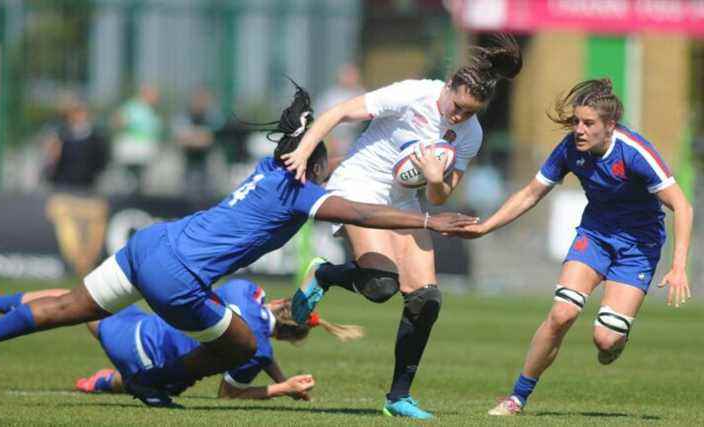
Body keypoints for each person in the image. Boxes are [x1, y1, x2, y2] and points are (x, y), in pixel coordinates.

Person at [0, 83, 478, 405]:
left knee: (66, 307)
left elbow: (330, 167)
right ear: (310, 163)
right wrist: (430, 221)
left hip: (148, 244)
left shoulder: (272, 168)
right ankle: (153, 384)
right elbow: (358, 210)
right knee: (243, 346)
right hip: (177, 275)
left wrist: (320, 133)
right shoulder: (300, 194)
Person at [282, 34, 523, 419]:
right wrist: (304, 151)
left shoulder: (471, 134)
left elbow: (442, 197)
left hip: (404, 202)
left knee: (426, 299)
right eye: (457, 106)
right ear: (448, 87)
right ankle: (325, 275)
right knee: (380, 285)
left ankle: (398, 397)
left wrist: (433, 178)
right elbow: (340, 112)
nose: (459, 117)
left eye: (470, 113)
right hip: (359, 187)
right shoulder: (414, 94)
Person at [455, 79, 693, 415]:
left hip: (639, 246)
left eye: (588, 123)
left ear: (609, 125)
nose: (579, 129)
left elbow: (682, 205)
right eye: (576, 121)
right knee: (562, 312)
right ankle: (516, 398)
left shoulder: (634, 152)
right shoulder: (569, 149)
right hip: (595, 236)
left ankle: (616, 339)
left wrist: (678, 265)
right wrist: (486, 227)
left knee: (606, 340)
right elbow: (530, 193)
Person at [0, 278, 362, 405]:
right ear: (291, 338)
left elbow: (258, 327)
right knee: (166, 378)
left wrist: (275, 365)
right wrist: (282, 386)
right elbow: (229, 394)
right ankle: (105, 383)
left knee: (78, 302)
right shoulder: (253, 351)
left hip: (141, 328)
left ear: (279, 302)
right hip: (146, 360)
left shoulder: (246, 288)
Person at [43, 97, 109, 192]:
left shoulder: (96, 138)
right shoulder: (61, 135)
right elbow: (53, 159)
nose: (77, 117)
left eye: (80, 113)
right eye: (74, 113)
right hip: (63, 182)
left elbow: (102, 160)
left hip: (88, 183)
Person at [171, 87, 225, 201]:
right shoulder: (184, 116)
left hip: (208, 162)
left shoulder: (212, 116)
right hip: (188, 161)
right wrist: (198, 137)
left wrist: (193, 137)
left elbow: (210, 138)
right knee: (186, 194)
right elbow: (181, 138)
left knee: (209, 194)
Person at [111, 84, 162, 193]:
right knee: (129, 182)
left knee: (141, 183)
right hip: (132, 151)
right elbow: (117, 121)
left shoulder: (151, 110)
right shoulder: (132, 107)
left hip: (145, 153)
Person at [315, 63, 365, 159]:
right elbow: (320, 117)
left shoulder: (361, 94)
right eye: (347, 75)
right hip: (332, 137)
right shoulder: (331, 96)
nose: (350, 78)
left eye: (352, 75)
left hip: (355, 137)